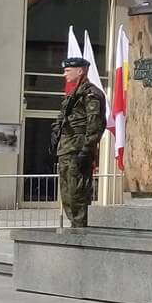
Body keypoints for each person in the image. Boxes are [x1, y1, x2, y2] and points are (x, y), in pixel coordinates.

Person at [53, 56, 106, 228]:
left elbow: (95, 124)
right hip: (67, 150)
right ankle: (75, 227)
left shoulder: (91, 94)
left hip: (78, 150)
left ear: (80, 71)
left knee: (78, 194)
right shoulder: (72, 95)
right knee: (67, 195)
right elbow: (62, 120)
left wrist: (87, 150)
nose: (64, 74)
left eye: (68, 70)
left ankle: (81, 229)